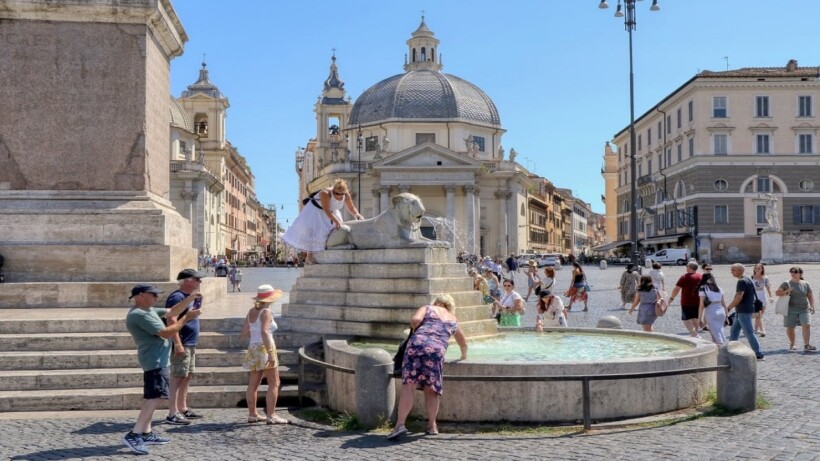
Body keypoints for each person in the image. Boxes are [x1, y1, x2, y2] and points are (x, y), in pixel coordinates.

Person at [121, 284, 202, 455]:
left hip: (158, 359)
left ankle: (147, 432)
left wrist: (189, 299)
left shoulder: (149, 310)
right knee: (156, 398)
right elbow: (166, 333)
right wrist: (186, 318)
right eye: (154, 295)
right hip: (154, 360)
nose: (157, 298)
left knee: (152, 396)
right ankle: (134, 434)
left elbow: (172, 311)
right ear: (141, 295)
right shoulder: (138, 314)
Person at [388, 294, 467, 440]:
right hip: (436, 351)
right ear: (450, 306)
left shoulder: (428, 308)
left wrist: (415, 329)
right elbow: (463, 343)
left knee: (409, 386)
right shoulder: (453, 319)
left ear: (436, 302)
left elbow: (415, 320)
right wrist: (463, 356)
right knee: (432, 390)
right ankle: (432, 426)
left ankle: (400, 425)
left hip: (417, 346)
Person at [281, 178, 363, 264]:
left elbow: (351, 208)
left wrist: (357, 215)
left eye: (341, 194)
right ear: (333, 190)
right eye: (336, 193)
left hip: (333, 211)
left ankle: (328, 252)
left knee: (335, 231)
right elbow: (326, 210)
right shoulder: (325, 193)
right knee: (315, 232)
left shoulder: (346, 195)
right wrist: (336, 221)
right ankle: (310, 256)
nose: (339, 196)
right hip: (316, 211)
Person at [164, 268, 207, 426]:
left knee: (187, 375)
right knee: (177, 376)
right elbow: (171, 320)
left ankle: (182, 408)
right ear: (187, 280)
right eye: (197, 279)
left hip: (190, 342)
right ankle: (172, 412)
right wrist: (177, 343)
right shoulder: (177, 297)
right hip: (182, 342)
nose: (199, 282)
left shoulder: (188, 297)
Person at [241, 285, 288, 424]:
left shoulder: (251, 311)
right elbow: (265, 332)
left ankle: (252, 414)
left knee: (253, 384)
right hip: (265, 347)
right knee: (274, 383)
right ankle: (271, 415)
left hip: (253, 347)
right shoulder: (266, 312)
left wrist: (254, 337)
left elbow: (244, 332)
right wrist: (271, 354)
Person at [725, 263, 765, 360]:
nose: (731, 272)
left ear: (740, 270)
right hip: (742, 310)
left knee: (749, 332)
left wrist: (729, 307)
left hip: (744, 310)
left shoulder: (742, 281)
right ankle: (730, 350)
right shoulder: (748, 279)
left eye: (733, 270)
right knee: (734, 330)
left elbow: (739, 296)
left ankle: (758, 353)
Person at [775, 266, 816, 353]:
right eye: (792, 272)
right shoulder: (786, 283)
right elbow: (777, 293)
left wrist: (812, 306)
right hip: (790, 309)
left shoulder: (805, 284)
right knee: (791, 327)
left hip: (804, 308)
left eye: (795, 272)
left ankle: (806, 345)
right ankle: (792, 344)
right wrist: (787, 290)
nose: (793, 274)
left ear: (800, 274)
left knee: (807, 325)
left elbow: (810, 295)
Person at [668, 261, 702, 337]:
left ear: (689, 268)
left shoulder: (684, 277)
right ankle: (695, 335)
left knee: (685, 319)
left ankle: (694, 334)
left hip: (687, 301)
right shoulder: (700, 276)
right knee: (695, 318)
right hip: (698, 301)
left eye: (687, 266)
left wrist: (671, 298)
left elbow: (676, 289)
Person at [697, 273, 728, 345]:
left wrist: (699, 318)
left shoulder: (703, 288)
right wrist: (727, 316)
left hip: (711, 311)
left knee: (715, 333)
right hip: (721, 311)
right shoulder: (719, 288)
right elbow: (724, 304)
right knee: (720, 331)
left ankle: (722, 349)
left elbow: (701, 305)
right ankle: (719, 349)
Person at [751, 263, 773, 337]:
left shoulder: (765, 278)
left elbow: (768, 288)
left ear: (762, 269)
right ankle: (762, 330)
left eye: (759, 268)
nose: (757, 270)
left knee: (760, 315)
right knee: (758, 315)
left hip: (763, 296)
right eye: (756, 268)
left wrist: (771, 296)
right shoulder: (751, 278)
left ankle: (755, 329)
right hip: (754, 297)